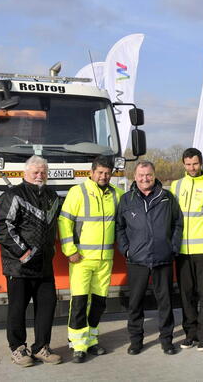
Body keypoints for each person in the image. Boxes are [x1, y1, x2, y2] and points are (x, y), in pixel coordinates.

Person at [0, 156, 62, 367]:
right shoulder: (12, 195)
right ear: (25, 173)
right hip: (19, 264)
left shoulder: (53, 196)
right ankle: (17, 348)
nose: (40, 175)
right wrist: (23, 252)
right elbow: (2, 227)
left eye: (43, 172)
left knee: (47, 306)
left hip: (44, 265)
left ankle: (41, 346)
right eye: (35, 172)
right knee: (17, 308)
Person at [58, 156, 124, 363]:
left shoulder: (117, 194)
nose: (104, 176)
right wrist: (70, 250)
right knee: (78, 302)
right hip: (81, 259)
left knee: (99, 302)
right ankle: (78, 345)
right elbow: (64, 221)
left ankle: (92, 340)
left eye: (107, 173)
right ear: (91, 172)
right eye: (100, 172)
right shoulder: (77, 192)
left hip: (105, 259)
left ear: (111, 174)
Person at [116, 161, 183, 356]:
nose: (145, 179)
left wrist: (173, 247)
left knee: (166, 302)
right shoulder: (126, 200)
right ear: (134, 177)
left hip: (163, 258)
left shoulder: (167, 198)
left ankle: (167, 340)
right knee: (135, 302)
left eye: (149, 175)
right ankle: (136, 341)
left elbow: (178, 223)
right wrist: (126, 249)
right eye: (141, 175)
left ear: (154, 176)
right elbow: (119, 227)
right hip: (137, 259)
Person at [169, 148, 203, 352]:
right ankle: (190, 334)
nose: (192, 168)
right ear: (184, 164)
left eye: (195, 164)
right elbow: (173, 217)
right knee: (186, 294)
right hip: (183, 251)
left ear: (201, 164)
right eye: (188, 164)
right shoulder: (176, 186)